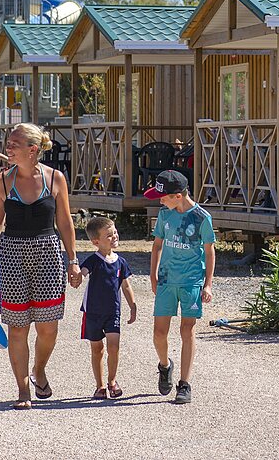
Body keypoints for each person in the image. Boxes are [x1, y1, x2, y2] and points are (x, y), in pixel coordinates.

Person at [0, 123, 81, 409]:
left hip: (48, 253)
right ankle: (23, 390)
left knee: (48, 327)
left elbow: (65, 223)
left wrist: (73, 260)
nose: (7, 148)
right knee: (18, 328)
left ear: (32, 150)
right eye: (8, 143)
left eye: (14, 144)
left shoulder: (55, 178)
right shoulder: (2, 181)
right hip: (11, 255)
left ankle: (39, 369)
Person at [145, 169, 215, 405]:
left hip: (191, 282)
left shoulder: (202, 218)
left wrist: (208, 284)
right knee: (159, 333)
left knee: (187, 330)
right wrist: (153, 275)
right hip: (166, 280)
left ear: (177, 195)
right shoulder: (165, 216)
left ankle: (184, 384)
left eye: (162, 196)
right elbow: (156, 247)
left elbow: (209, 250)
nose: (160, 200)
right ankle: (165, 365)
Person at [74, 216, 136, 400]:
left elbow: (126, 285)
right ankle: (99, 386)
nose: (114, 236)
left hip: (112, 312)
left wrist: (132, 306)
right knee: (97, 349)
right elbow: (82, 273)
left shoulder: (121, 262)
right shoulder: (93, 260)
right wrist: (77, 275)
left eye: (114, 232)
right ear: (96, 241)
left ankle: (112, 381)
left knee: (114, 347)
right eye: (109, 235)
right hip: (92, 312)